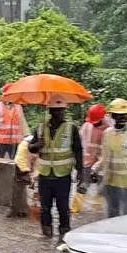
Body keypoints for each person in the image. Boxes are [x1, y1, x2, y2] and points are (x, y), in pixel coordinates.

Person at [28, 96, 83, 239]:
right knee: (45, 207)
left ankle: (64, 230)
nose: (59, 113)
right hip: (45, 175)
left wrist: (80, 171)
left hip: (63, 175)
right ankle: (46, 231)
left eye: (61, 110)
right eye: (56, 110)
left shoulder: (71, 129)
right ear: (50, 111)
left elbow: (78, 150)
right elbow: (31, 148)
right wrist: (36, 145)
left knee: (63, 207)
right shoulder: (40, 129)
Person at [91, 98, 127, 218]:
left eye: (125, 115)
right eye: (118, 115)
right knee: (112, 214)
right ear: (112, 116)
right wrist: (95, 168)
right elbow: (104, 156)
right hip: (111, 182)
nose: (121, 118)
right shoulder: (107, 133)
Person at [0, 84, 29, 159]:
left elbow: (22, 122)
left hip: (15, 141)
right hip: (1, 141)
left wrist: (26, 135)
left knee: (16, 161)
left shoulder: (18, 107)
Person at [8, 134, 38, 218]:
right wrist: (26, 171)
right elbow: (20, 160)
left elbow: (38, 163)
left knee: (21, 189)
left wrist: (34, 174)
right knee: (18, 188)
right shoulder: (25, 145)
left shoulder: (42, 146)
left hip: (26, 167)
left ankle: (22, 210)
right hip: (21, 168)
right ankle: (18, 209)